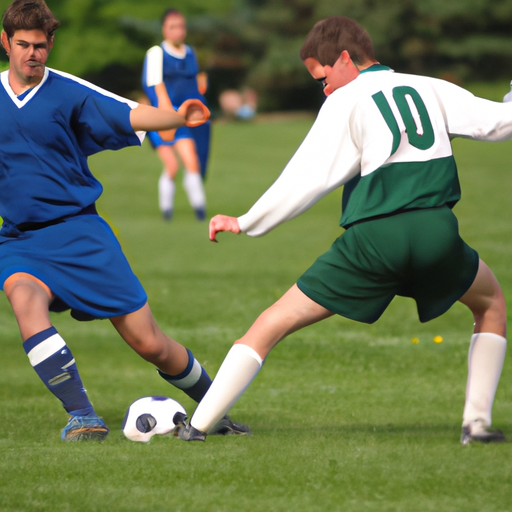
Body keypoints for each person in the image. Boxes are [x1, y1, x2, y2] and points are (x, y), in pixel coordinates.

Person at [175, 16, 512, 445]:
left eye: (324, 76)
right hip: (437, 233)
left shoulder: (346, 99)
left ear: (347, 59)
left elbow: (307, 177)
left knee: (269, 325)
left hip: (375, 239)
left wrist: (246, 222)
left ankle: (198, 427)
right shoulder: (430, 86)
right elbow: (499, 123)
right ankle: (477, 426)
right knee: (491, 305)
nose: (325, 88)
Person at [0, 0, 250, 441]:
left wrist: (178, 116)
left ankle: (215, 411)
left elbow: (129, 113)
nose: (32, 54)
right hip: (20, 240)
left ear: (51, 44)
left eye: (40, 45)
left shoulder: (66, 90)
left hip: (79, 232)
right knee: (24, 298)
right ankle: (83, 416)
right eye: (23, 45)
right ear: (5, 42)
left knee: (149, 343)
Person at [142, 8, 210, 221]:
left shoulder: (190, 52)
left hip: (185, 119)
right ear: (164, 29)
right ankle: (166, 211)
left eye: (181, 26)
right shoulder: (157, 53)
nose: (178, 31)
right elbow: (153, 85)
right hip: (162, 118)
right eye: (173, 26)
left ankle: (200, 210)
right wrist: (166, 113)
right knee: (172, 166)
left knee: (192, 162)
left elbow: (194, 85)